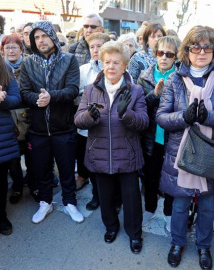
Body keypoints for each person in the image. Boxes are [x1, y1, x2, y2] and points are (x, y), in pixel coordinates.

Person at [156, 25, 214, 269]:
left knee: (207, 204)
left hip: (212, 150)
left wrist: (208, 117)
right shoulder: (174, 78)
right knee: (181, 203)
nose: (201, 51)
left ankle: (204, 247)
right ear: (187, 50)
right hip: (181, 151)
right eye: (196, 46)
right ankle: (177, 243)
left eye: (207, 47)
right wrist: (184, 116)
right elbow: (162, 117)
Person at [74, 41, 149, 254]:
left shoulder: (135, 91)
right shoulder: (90, 90)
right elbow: (78, 120)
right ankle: (111, 227)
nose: (111, 66)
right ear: (102, 63)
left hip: (127, 154)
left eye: (116, 62)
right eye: (107, 62)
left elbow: (143, 122)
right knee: (105, 197)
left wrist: (127, 114)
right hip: (99, 154)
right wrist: (89, 116)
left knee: (131, 199)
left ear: (125, 65)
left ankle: (135, 234)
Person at [20, 21, 83, 224]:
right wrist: (36, 100)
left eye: (44, 36)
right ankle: (45, 202)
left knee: (66, 168)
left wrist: (51, 96)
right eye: (36, 37)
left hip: (63, 127)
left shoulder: (69, 60)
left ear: (53, 37)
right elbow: (24, 92)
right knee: (42, 169)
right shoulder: (28, 63)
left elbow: (73, 89)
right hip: (38, 129)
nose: (40, 40)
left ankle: (70, 202)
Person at [137, 36, 180, 232]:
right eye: (160, 53)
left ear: (175, 57)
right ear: (155, 54)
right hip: (151, 137)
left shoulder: (180, 78)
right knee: (150, 176)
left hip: (173, 138)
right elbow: (139, 107)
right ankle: (150, 208)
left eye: (169, 54)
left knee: (172, 179)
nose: (163, 58)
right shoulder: (144, 77)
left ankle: (170, 214)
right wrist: (154, 95)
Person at [0, 34, 39, 204]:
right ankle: (17, 187)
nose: (10, 50)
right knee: (13, 161)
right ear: (2, 50)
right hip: (8, 123)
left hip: (28, 118)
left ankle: (34, 185)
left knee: (32, 157)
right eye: (7, 47)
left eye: (14, 47)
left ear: (21, 49)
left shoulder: (29, 66)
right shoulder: (1, 68)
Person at [76, 32, 110, 201]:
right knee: (92, 163)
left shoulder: (114, 67)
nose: (95, 50)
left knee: (106, 164)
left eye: (99, 46)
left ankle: (111, 198)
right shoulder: (83, 70)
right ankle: (96, 196)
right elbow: (76, 95)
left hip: (108, 127)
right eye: (92, 47)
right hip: (87, 128)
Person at [0, 48, 21, 237]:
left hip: (1, 136)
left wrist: (2, 100)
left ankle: (1, 216)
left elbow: (16, 98)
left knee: (0, 182)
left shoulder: (4, 69)